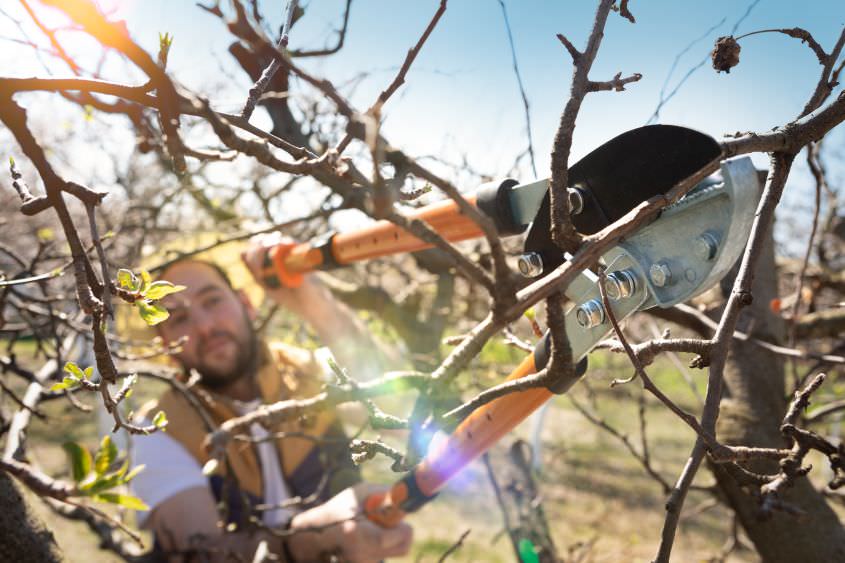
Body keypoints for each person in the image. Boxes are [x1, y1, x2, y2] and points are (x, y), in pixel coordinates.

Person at [130, 236, 413, 562]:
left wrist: (314, 302)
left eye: (212, 301)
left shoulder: (308, 373)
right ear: (164, 343)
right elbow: (199, 552)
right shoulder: (158, 430)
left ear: (246, 304)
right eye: (179, 319)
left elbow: (406, 408)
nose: (205, 327)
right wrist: (309, 536)